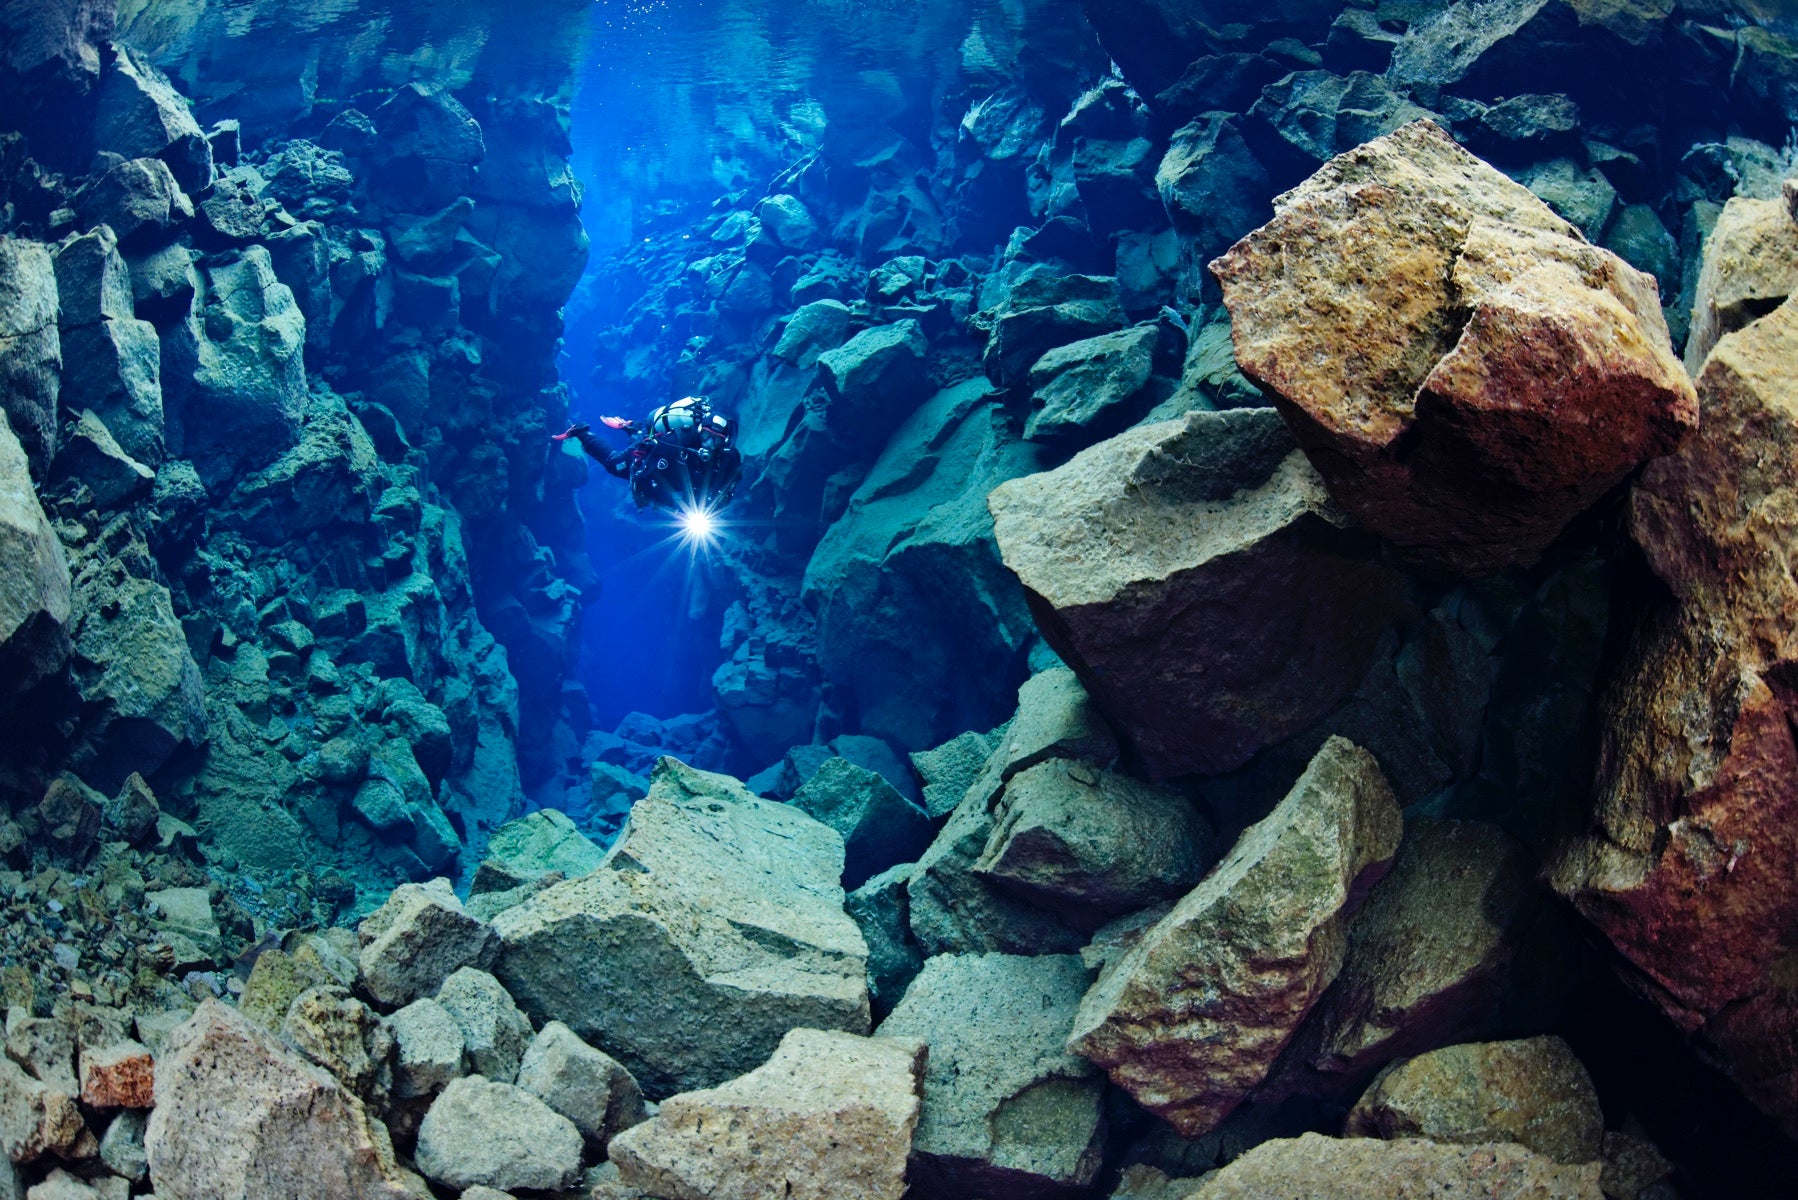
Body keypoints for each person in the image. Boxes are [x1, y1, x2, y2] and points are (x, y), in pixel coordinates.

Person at [556, 396, 742, 513]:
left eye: (715, 440)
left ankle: (633, 427)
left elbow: (727, 492)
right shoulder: (675, 444)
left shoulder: (729, 460)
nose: (709, 444)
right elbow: (642, 480)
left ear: (724, 443)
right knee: (616, 465)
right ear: (699, 431)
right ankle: (581, 432)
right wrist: (676, 507)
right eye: (706, 436)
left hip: (681, 478)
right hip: (656, 456)